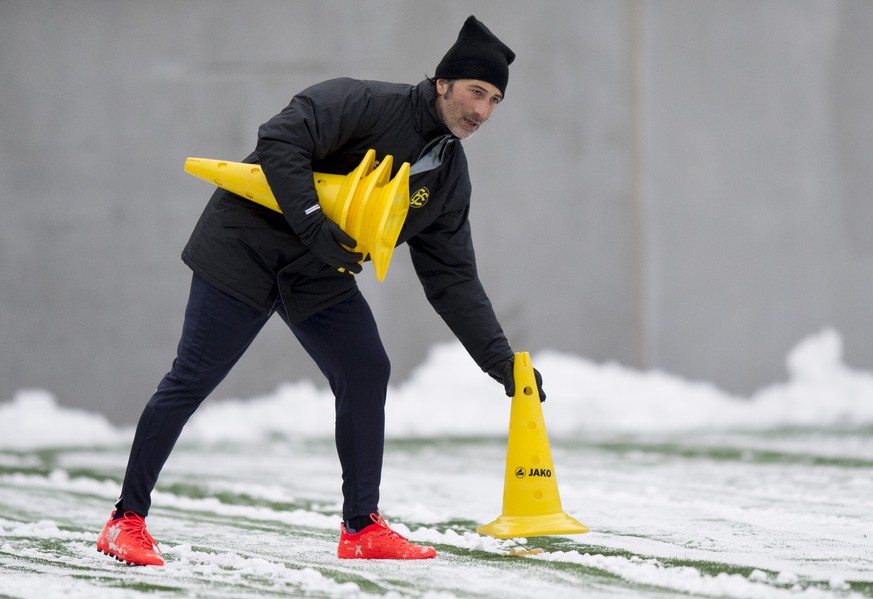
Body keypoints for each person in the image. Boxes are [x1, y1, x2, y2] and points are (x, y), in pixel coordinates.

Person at [96, 15, 545, 565]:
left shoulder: (447, 177)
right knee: (192, 378)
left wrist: (501, 362)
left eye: (495, 100)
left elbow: (451, 277)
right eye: (476, 92)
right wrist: (314, 224)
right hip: (245, 247)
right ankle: (125, 521)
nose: (482, 112)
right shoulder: (360, 102)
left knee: (365, 369)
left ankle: (361, 528)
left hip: (317, 273)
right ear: (443, 83)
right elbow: (280, 139)